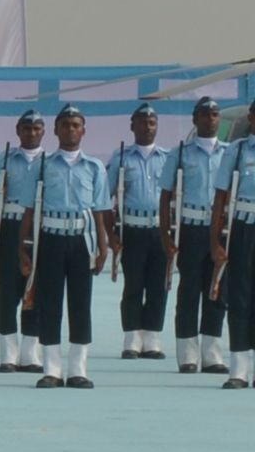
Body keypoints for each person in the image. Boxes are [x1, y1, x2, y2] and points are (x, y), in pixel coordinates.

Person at [27, 101, 109, 390]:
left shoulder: (95, 167)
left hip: (82, 240)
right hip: (51, 238)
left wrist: (103, 246)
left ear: (83, 130)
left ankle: (78, 370)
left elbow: (100, 211)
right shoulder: (42, 166)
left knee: (80, 303)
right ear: (55, 130)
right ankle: (51, 369)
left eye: (75, 125)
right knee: (49, 303)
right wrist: (23, 247)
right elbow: (29, 209)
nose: (70, 130)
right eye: (65, 125)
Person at [168, 94, 229, 374]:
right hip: (191, 227)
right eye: (205, 114)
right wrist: (164, 233)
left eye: (215, 114)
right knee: (190, 290)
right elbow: (165, 196)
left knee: (216, 291)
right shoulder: (180, 153)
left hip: (220, 229)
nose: (210, 118)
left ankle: (212, 353)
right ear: (195, 119)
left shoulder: (229, 153)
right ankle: (187, 354)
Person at [110, 105, 170, 361]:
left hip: (160, 229)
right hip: (132, 230)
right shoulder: (121, 157)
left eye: (152, 122)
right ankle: (132, 338)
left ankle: (152, 339)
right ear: (132, 125)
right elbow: (106, 196)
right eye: (143, 122)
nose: (148, 127)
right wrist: (110, 233)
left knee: (159, 285)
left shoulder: (168, 158)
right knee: (133, 284)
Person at [0, 103, 47, 375]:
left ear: (44, 131)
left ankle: (30, 352)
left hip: (40, 229)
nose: (32, 133)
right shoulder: (3, 160)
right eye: (27, 128)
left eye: (37, 128)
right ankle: (8, 354)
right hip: (10, 227)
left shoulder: (50, 161)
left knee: (35, 290)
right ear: (18, 131)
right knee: (8, 292)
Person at [218, 109, 255, 393]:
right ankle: (239, 370)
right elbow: (221, 195)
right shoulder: (238, 150)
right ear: (251, 117)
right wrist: (215, 239)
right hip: (243, 228)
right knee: (239, 297)